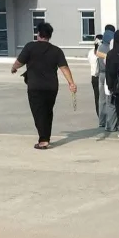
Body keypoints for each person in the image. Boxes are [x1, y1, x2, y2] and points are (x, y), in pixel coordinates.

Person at [12, 21, 76, 149]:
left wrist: (14, 68)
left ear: (38, 34)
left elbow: (19, 61)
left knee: (38, 112)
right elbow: (64, 67)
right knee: (47, 112)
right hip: (51, 87)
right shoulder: (56, 51)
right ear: (49, 35)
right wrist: (71, 83)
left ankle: (43, 140)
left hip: (35, 87)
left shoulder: (30, 47)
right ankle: (46, 137)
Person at [96, 24, 118, 136]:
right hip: (108, 74)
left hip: (101, 74)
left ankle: (101, 121)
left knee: (102, 99)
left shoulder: (100, 47)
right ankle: (110, 122)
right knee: (110, 100)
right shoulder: (111, 47)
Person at [88, 34, 102, 117]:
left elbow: (90, 62)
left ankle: (99, 115)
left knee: (97, 97)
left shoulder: (90, 52)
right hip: (101, 76)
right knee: (104, 98)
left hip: (94, 77)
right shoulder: (103, 53)